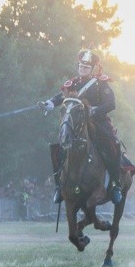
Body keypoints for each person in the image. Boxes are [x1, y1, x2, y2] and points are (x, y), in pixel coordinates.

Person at [39, 48, 123, 205]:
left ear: (91, 69)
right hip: (76, 122)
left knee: (113, 144)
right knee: (58, 147)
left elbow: (111, 103)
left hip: (97, 121)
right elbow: (61, 97)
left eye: (86, 67)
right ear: (78, 66)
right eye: (81, 66)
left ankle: (115, 184)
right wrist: (49, 103)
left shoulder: (100, 83)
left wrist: (95, 110)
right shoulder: (73, 83)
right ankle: (59, 186)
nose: (83, 69)